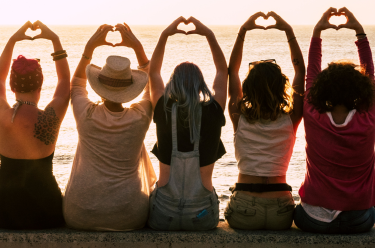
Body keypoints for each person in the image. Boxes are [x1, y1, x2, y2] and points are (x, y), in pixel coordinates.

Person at [63, 23, 156, 231]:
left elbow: (77, 84)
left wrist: (90, 48)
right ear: (130, 88)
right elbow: (153, 87)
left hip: (79, 213)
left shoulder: (85, 114)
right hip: (130, 214)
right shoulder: (140, 116)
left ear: (99, 87)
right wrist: (137, 48)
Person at [294, 7, 375, 234]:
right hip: (359, 219)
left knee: (296, 212)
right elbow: (370, 76)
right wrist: (359, 32)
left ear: (322, 89)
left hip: (312, 219)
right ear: (361, 90)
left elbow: (311, 73)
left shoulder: (313, 114)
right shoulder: (368, 118)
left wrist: (318, 31)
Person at [224, 12, 305, 230]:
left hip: (244, 208)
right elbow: (300, 71)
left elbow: (231, 71)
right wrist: (288, 31)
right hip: (281, 210)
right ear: (282, 87)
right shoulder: (292, 118)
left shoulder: (238, 116)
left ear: (248, 88)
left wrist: (243, 31)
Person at [147, 16, 228, 231]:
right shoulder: (213, 110)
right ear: (201, 84)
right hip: (202, 215)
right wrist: (209, 35)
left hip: (164, 214)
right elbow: (222, 71)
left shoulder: (164, 107)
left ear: (172, 83)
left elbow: (153, 72)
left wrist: (165, 35)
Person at [0, 21, 70, 229]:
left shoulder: (3, 115)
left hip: (4, 211)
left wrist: (12, 40)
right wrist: (54, 40)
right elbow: (65, 80)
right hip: (46, 211)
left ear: (12, 86)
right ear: (40, 83)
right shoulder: (51, 116)